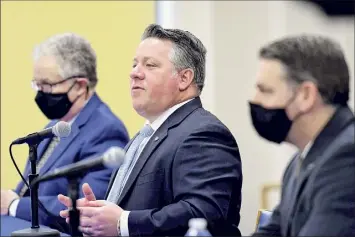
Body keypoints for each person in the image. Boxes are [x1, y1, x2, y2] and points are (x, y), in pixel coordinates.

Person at [58, 24, 243, 236]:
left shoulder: (204, 133)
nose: (134, 73)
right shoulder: (147, 133)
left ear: (184, 78)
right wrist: (97, 214)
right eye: (135, 64)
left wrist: (122, 223)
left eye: (150, 65)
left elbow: (203, 214)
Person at [0, 33, 130, 233]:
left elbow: (86, 208)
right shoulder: (53, 126)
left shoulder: (106, 130)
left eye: (48, 85)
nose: (40, 93)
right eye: (37, 84)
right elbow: (26, 189)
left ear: (79, 85)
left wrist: (14, 206)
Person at [249, 35, 355, 236]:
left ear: (306, 95)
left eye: (266, 91)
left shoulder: (346, 159)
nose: (255, 100)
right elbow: (274, 231)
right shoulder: (303, 157)